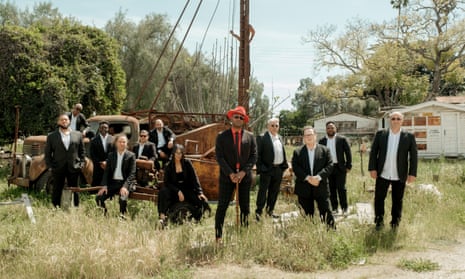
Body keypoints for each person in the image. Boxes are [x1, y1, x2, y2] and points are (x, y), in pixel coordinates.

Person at [368, 111, 418, 230]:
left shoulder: (409, 136)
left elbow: (414, 156)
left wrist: (412, 173)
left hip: (399, 174)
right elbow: (374, 152)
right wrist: (372, 168)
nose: (395, 121)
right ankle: (379, 222)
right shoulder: (381, 134)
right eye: (393, 119)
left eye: (398, 119)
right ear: (389, 120)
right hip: (382, 173)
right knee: (379, 198)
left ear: (402, 121)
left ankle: (395, 223)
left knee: (397, 200)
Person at [215, 106, 257, 243]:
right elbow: (219, 157)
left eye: (241, 117)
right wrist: (231, 174)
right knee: (222, 206)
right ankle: (218, 237)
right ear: (231, 118)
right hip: (227, 178)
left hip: (244, 178)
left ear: (244, 120)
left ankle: (244, 236)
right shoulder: (222, 137)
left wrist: (244, 172)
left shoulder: (250, 137)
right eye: (236, 116)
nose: (238, 119)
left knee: (245, 207)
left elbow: (254, 156)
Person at [291, 126, 335, 229]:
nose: (308, 137)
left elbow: (330, 165)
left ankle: (331, 233)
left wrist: (318, 177)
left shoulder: (325, 150)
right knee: (306, 216)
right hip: (304, 188)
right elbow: (296, 167)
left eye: (310, 134)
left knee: (326, 212)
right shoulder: (297, 152)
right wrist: (308, 178)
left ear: (315, 136)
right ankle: (310, 234)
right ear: (303, 138)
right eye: (306, 135)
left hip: (321, 187)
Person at [157, 144, 208, 227]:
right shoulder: (169, 166)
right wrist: (178, 191)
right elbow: (167, 182)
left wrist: (200, 192)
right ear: (173, 153)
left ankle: (198, 219)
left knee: (202, 201)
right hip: (174, 190)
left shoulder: (187, 163)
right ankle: (162, 218)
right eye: (177, 153)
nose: (178, 155)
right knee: (163, 192)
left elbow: (194, 178)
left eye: (180, 153)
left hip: (187, 189)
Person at [44, 113, 86, 208]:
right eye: (62, 120)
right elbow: (47, 153)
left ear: (69, 121)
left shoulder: (78, 134)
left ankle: (76, 207)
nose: (64, 121)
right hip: (58, 167)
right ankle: (55, 208)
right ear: (58, 122)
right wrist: (50, 167)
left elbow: (82, 151)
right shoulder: (52, 136)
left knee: (75, 189)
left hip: (74, 167)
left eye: (66, 119)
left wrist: (81, 164)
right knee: (57, 189)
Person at [255, 118, 288, 221]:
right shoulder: (261, 138)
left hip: (278, 169)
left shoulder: (280, 138)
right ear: (268, 126)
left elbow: (282, 152)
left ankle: (270, 211)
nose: (274, 127)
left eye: (276, 125)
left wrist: (284, 167)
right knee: (263, 192)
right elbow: (257, 155)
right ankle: (258, 213)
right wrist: (261, 168)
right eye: (272, 125)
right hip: (267, 170)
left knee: (274, 192)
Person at [96, 134, 137, 217]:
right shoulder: (111, 155)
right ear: (116, 143)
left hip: (126, 183)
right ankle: (105, 216)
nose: (122, 144)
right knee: (99, 198)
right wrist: (104, 185)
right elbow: (106, 172)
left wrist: (125, 186)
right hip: (113, 183)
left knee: (122, 199)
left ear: (126, 143)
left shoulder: (131, 156)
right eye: (120, 142)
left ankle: (123, 217)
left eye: (124, 142)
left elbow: (132, 174)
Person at [318, 121, 352, 215]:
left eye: (332, 128)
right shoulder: (322, 141)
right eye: (328, 128)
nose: (330, 129)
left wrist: (349, 166)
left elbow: (348, 153)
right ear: (326, 129)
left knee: (341, 188)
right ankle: (334, 208)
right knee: (331, 189)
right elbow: (320, 155)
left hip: (340, 167)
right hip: (328, 168)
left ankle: (345, 208)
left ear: (335, 129)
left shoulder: (342, 139)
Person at [89, 121, 114, 186]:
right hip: (98, 167)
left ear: (108, 129)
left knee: (109, 184)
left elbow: (115, 152)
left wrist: (107, 162)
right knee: (97, 184)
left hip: (110, 165)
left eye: (105, 127)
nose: (103, 129)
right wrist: (100, 163)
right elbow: (92, 154)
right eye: (101, 127)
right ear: (99, 129)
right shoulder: (94, 140)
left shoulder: (113, 139)